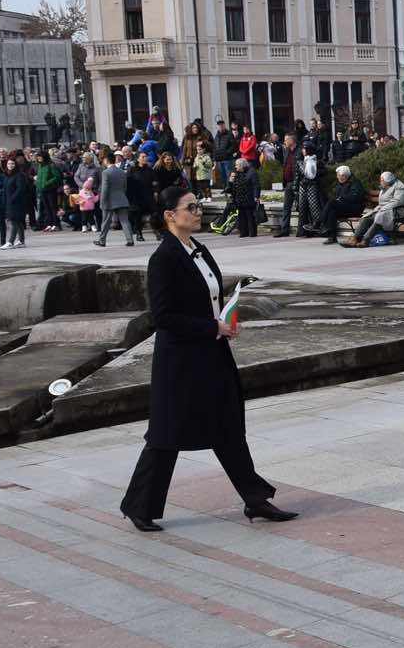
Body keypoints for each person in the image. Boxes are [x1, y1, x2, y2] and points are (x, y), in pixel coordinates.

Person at [118, 187, 294, 533]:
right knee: (167, 434)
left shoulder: (199, 249)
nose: (198, 212)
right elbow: (163, 316)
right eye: (191, 207)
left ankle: (255, 499)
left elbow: (211, 297)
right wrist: (211, 326)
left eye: (198, 205)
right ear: (170, 215)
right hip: (181, 361)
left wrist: (225, 320)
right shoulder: (164, 258)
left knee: (227, 424)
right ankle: (139, 506)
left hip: (212, 350)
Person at [352, 171, 404, 247]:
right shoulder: (384, 187)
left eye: (382, 180)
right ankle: (355, 238)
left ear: (387, 180)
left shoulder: (400, 187)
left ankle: (366, 240)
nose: (381, 181)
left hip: (397, 210)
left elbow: (397, 201)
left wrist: (383, 208)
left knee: (380, 216)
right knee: (366, 217)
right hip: (385, 209)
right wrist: (379, 208)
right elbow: (382, 202)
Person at [319, 165, 367, 243]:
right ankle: (332, 237)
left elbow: (355, 197)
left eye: (338, 176)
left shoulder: (355, 183)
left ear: (344, 176)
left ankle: (319, 223)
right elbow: (338, 197)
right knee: (332, 212)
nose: (337, 177)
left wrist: (341, 198)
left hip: (355, 208)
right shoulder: (340, 184)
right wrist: (340, 199)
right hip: (345, 207)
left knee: (332, 202)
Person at [96, 153, 134, 248]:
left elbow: (105, 189)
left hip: (109, 200)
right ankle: (130, 240)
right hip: (122, 198)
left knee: (106, 222)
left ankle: (102, 240)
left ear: (106, 161)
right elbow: (125, 187)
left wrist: (102, 201)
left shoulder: (106, 172)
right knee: (125, 221)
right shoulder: (121, 172)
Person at [0, 157, 32, 249]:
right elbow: (5, 189)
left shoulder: (19, 175)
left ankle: (10, 242)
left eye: (12, 164)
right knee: (18, 222)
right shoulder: (7, 175)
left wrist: (12, 199)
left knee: (13, 221)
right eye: (9, 164)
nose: (10, 165)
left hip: (17, 202)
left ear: (16, 165)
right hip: (9, 202)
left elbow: (20, 189)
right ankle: (21, 241)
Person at [228, 158, 261, 238]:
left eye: (237, 165)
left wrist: (256, 196)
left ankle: (252, 232)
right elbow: (230, 187)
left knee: (250, 216)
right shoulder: (236, 173)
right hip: (240, 198)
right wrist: (230, 181)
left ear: (242, 165)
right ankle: (243, 232)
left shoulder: (252, 172)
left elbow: (256, 185)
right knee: (241, 216)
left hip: (249, 197)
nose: (235, 167)